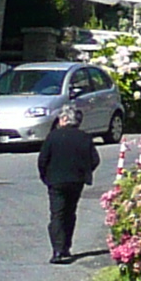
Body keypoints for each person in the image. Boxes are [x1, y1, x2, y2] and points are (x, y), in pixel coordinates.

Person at [35, 107, 97, 264]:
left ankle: (57, 250)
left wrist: (45, 176)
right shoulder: (85, 137)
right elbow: (95, 159)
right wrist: (84, 172)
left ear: (63, 119)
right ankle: (66, 247)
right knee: (70, 213)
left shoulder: (53, 136)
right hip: (76, 181)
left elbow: (43, 159)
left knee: (57, 215)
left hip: (56, 181)